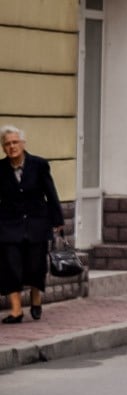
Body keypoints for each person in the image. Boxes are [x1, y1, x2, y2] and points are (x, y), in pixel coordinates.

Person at [0, 125, 65, 324]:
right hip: (9, 225)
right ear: (3, 148)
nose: (12, 147)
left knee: (36, 265)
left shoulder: (39, 165)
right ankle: (16, 310)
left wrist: (58, 220)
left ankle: (36, 298)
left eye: (15, 142)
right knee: (10, 266)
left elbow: (50, 193)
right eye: (7, 144)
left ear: (22, 143)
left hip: (37, 222)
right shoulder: (0, 169)